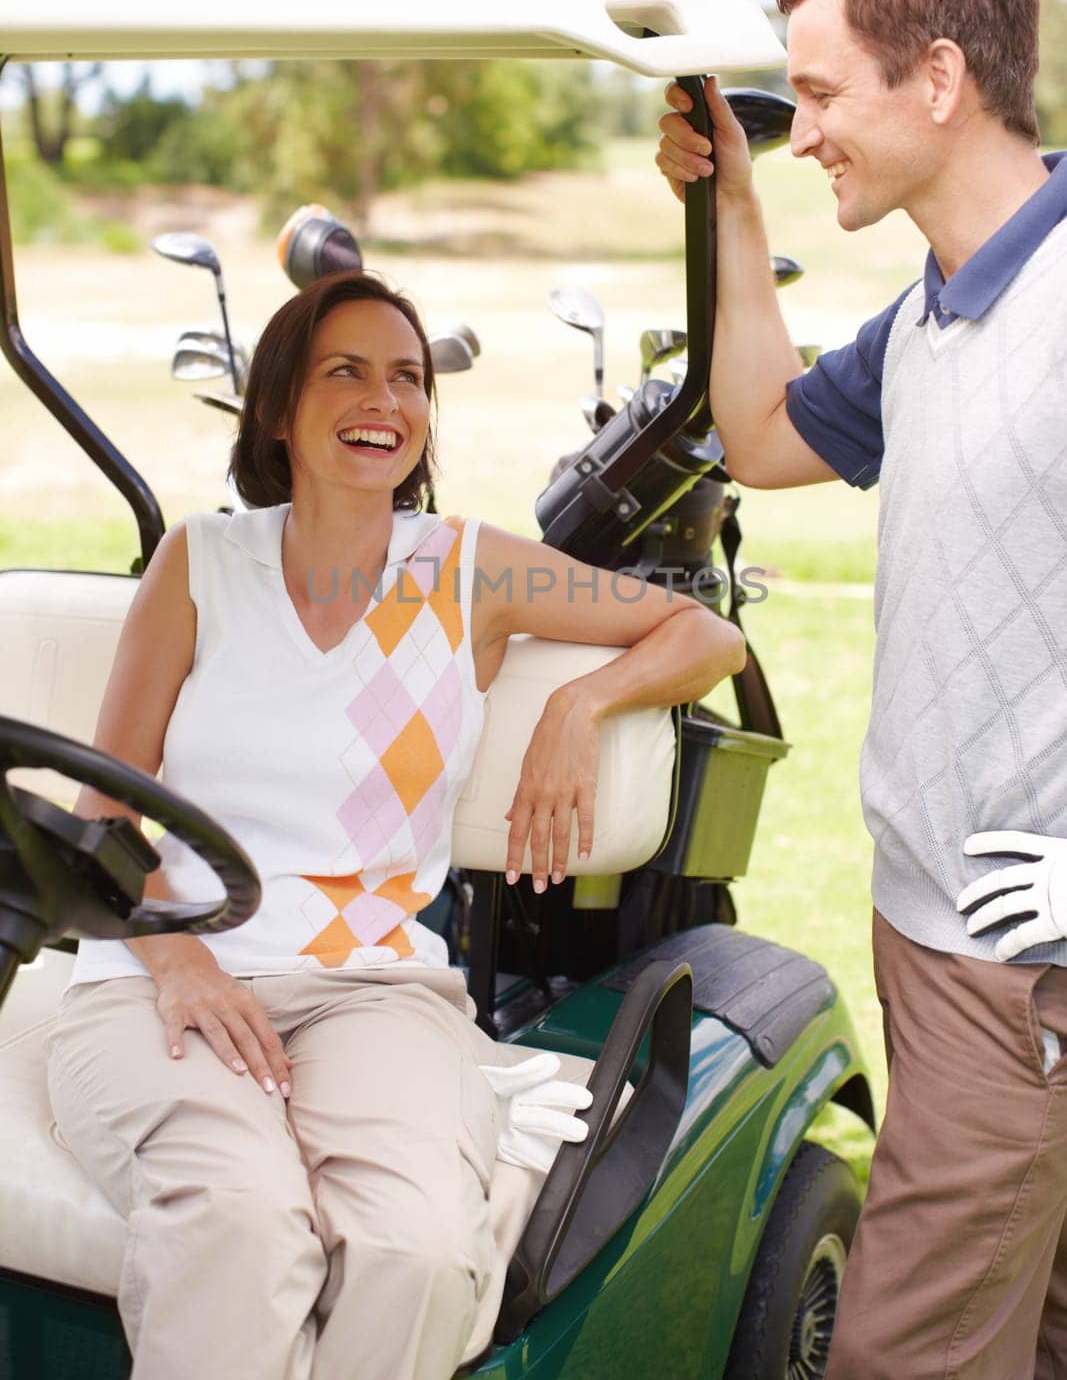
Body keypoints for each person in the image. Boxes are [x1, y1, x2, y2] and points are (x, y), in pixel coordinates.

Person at [45, 269, 744, 1380]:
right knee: (239, 1218)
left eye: (408, 378)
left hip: (373, 989)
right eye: (345, 371)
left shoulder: (465, 570)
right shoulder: (200, 563)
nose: (385, 399)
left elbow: (705, 635)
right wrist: (178, 962)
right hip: (163, 978)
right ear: (278, 408)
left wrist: (579, 701)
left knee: (417, 1249)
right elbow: (102, 809)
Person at [656, 0, 1067, 1380]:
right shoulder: (932, 317)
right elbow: (760, 436)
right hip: (931, 931)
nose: (805, 127)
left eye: (820, 94)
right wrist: (733, 207)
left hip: (1013, 967)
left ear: (939, 79)